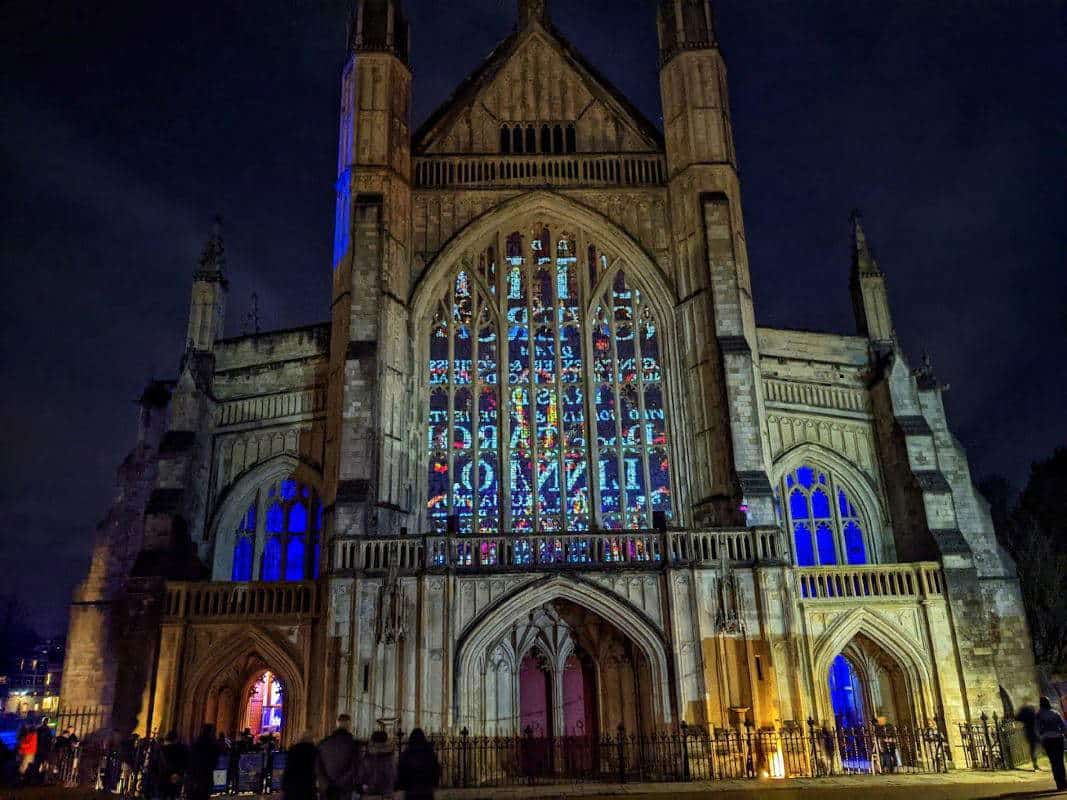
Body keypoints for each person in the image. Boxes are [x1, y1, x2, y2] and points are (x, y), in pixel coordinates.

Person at [316, 713, 360, 800]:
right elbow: (354, 767)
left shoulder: (323, 743)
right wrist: (340, 784)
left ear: (337, 723)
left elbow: (317, 767)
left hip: (326, 789)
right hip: (344, 790)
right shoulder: (353, 745)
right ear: (349, 725)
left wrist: (326, 783)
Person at [397, 728, 440, 800]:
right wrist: (434, 784)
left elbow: (401, 771)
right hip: (426, 790)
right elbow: (435, 769)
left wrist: (403, 785)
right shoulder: (429, 752)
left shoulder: (407, 753)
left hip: (411, 791)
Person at [1036, 696, 1066, 791]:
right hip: (1057, 738)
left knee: (1053, 761)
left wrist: (1041, 735)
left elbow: (1037, 728)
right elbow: (1063, 726)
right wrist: (1064, 733)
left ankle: (1059, 783)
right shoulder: (1055, 713)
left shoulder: (1039, 715)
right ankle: (1063, 782)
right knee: (1060, 761)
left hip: (1047, 739)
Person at [357, 730, 396, 799]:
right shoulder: (390, 756)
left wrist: (364, 786)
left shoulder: (368, 756)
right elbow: (394, 774)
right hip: (386, 793)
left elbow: (361, 775)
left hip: (370, 792)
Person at [282, 730, 318, 800]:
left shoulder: (293, 750)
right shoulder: (315, 751)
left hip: (293, 788)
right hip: (308, 787)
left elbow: (287, 771)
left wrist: (284, 788)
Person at [187, 724, 219, 800]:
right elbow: (214, 760)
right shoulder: (211, 745)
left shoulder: (197, 742)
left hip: (196, 775)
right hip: (204, 776)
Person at [158, 730, 188, 800]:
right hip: (175, 774)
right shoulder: (180, 748)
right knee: (173, 794)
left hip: (163, 774)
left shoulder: (161, 749)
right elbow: (184, 762)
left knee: (164, 794)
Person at [1016, 705, 1041, 770]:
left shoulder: (1025, 715)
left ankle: (1035, 765)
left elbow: (1017, 718)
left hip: (1031, 733)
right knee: (1034, 749)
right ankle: (1036, 765)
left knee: (1033, 749)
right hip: (1036, 732)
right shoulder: (1033, 713)